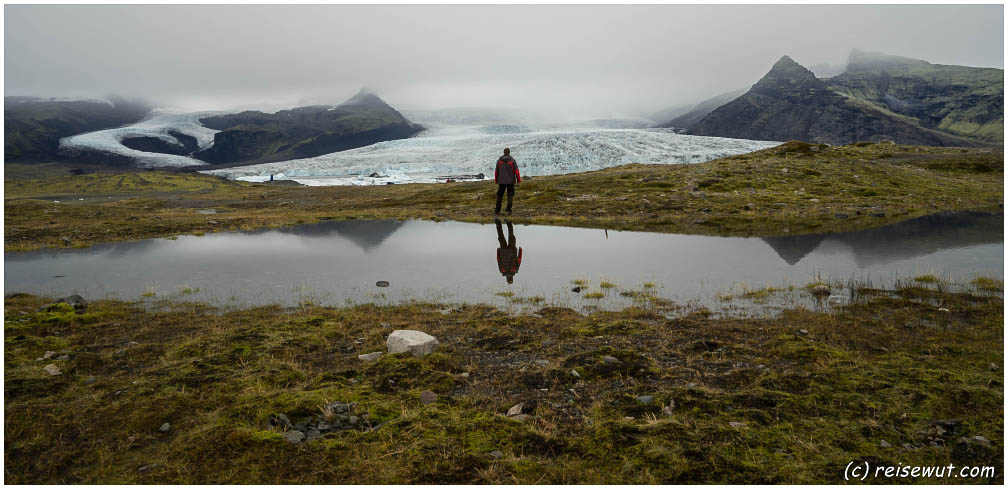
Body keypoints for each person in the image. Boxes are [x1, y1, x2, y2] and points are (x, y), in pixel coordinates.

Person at [494, 147, 521, 216]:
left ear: (504, 152)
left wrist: (496, 180)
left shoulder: (499, 161)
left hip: (501, 181)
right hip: (511, 182)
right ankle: (508, 211)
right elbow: (517, 171)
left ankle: (497, 211)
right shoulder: (512, 160)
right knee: (510, 196)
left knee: (499, 196)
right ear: (509, 152)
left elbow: (496, 171)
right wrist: (518, 181)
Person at [496, 219, 522, 284]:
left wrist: (520, 251)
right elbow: (498, 260)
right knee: (501, 236)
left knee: (511, 235)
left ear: (512, 278)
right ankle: (498, 222)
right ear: (506, 278)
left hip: (512, 250)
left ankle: (508, 222)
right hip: (503, 251)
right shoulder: (502, 270)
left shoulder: (515, 270)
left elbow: (519, 259)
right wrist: (498, 251)